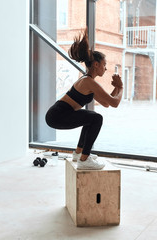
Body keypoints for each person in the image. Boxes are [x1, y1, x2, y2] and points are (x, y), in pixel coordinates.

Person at [45, 29, 123, 170]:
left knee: (91, 118)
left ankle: (78, 154)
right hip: (57, 115)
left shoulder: (88, 81)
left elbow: (106, 103)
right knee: (95, 118)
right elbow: (115, 103)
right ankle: (84, 160)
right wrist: (121, 87)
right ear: (96, 65)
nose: (105, 69)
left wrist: (117, 88)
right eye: (104, 65)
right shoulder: (88, 82)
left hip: (57, 115)